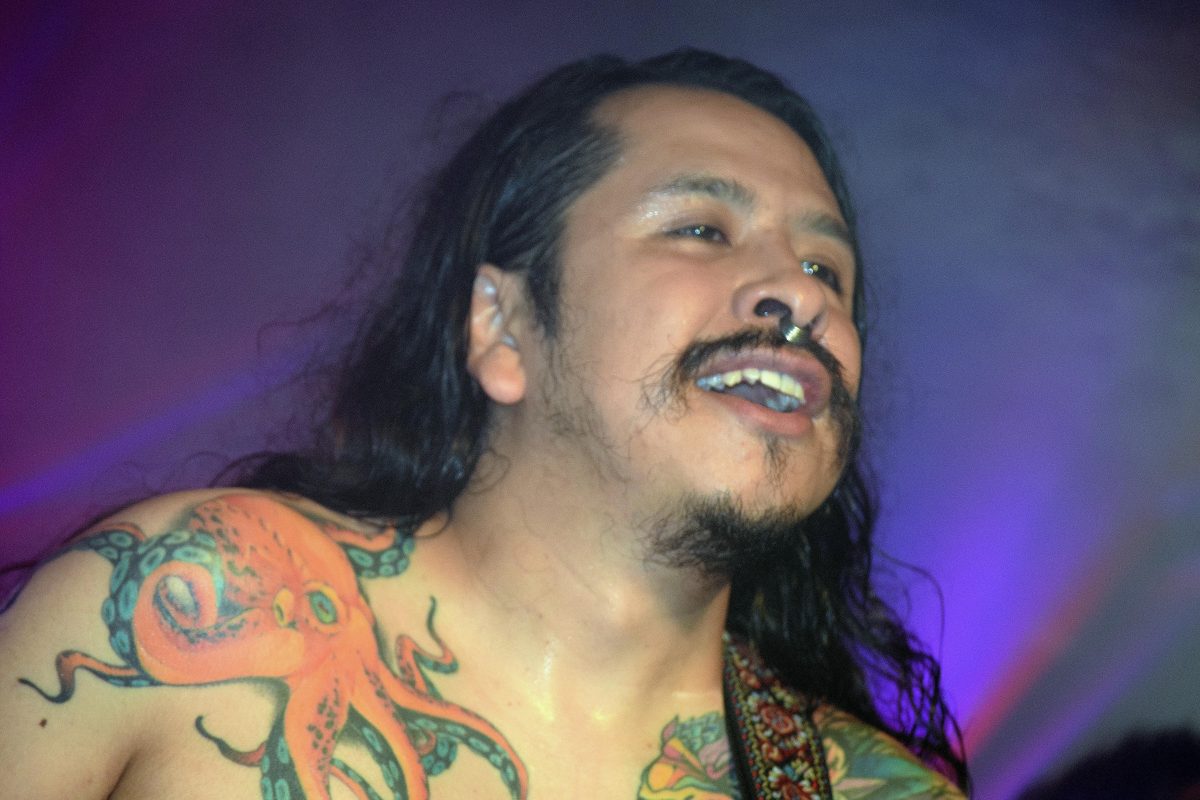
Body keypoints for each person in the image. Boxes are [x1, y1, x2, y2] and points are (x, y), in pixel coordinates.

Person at [0, 49, 969, 798]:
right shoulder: (194, 590)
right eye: (702, 229)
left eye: (826, 270)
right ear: (503, 328)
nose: (797, 295)